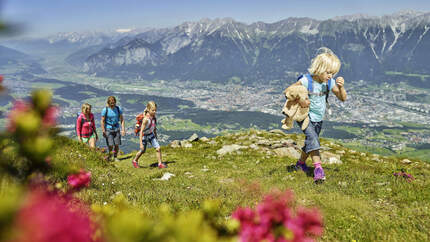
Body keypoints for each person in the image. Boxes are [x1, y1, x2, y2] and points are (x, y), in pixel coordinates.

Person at [288, 47, 347, 183]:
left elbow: (342, 98)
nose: (330, 76)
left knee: (310, 141)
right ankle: (318, 169)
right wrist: (301, 99)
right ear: (319, 68)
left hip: (318, 119)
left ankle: (300, 164)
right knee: (313, 139)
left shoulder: (329, 83)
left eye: (333, 73)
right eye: (328, 72)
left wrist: (341, 87)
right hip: (304, 116)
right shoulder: (305, 81)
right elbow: (289, 91)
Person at [132, 101, 166, 169]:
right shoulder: (145, 120)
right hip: (144, 136)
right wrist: (141, 144)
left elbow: (154, 128)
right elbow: (141, 131)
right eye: (153, 110)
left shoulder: (153, 117)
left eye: (155, 110)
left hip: (151, 135)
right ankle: (135, 160)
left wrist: (155, 137)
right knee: (142, 151)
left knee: (158, 148)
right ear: (148, 109)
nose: (154, 112)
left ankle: (160, 164)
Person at [101, 96, 125, 161]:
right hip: (108, 129)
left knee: (117, 144)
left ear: (115, 102)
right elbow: (102, 121)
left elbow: (122, 119)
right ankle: (110, 156)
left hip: (116, 128)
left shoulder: (118, 109)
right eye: (111, 103)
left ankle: (115, 157)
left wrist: (123, 129)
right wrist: (103, 131)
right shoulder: (105, 110)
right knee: (110, 144)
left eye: (113, 103)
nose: (112, 104)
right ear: (108, 103)